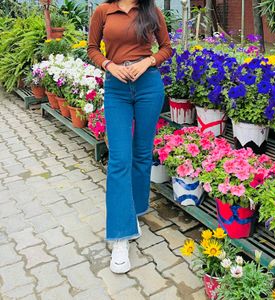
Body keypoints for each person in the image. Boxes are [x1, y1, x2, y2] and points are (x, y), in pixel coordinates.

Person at [87, 0, 172, 274]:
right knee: (120, 159)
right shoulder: (103, 11)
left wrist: (148, 61)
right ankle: (120, 237)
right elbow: (91, 48)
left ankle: (133, 213)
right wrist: (109, 65)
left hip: (148, 85)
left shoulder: (150, 9)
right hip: (117, 88)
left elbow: (167, 48)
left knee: (142, 154)